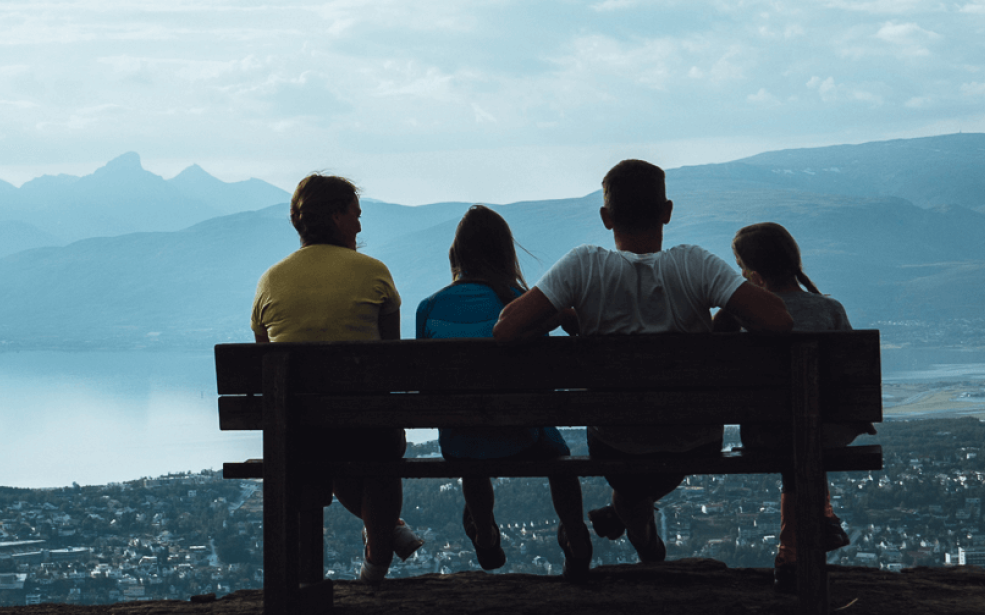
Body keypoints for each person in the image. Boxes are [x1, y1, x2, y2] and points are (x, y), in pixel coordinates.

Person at [493, 159, 793, 563]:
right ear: (667, 211)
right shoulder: (695, 264)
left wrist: (567, 316)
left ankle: (639, 531)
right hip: (695, 440)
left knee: (630, 481)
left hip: (615, 441)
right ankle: (638, 529)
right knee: (642, 479)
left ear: (605, 217)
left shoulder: (584, 265)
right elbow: (779, 320)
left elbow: (506, 329)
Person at [251, 174, 423, 584]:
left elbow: (264, 362)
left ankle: (383, 538)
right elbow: (389, 362)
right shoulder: (374, 273)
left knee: (333, 445)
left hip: (299, 434)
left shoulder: (270, 281)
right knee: (380, 445)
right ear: (335, 216)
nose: (360, 226)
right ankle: (377, 556)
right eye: (355, 215)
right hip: (367, 431)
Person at [416, 205, 592, 580]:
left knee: (469, 439)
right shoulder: (520, 302)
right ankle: (575, 533)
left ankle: (484, 530)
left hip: (460, 441)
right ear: (504, 252)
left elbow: (427, 384)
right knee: (559, 456)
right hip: (522, 436)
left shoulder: (428, 307)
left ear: (457, 254)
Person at [715, 221, 874, 592]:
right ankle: (819, 520)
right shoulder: (829, 310)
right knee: (807, 436)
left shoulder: (742, 315)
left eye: (740, 267)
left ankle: (791, 554)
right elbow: (849, 383)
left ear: (753, 275)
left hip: (765, 433)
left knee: (794, 434)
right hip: (828, 432)